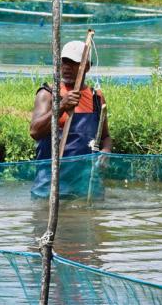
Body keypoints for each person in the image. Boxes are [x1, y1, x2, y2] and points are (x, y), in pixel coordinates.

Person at [30, 40, 112, 198]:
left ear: (87, 66)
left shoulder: (97, 98)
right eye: (64, 62)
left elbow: (105, 136)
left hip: (86, 187)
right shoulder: (48, 94)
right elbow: (35, 131)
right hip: (51, 186)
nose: (67, 68)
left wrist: (106, 151)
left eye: (73, 63)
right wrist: (61, 106)